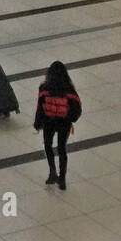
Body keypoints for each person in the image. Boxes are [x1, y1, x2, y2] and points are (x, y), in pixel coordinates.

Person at [34, 61, 82, 191]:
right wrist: (71, 119)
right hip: (64, 123)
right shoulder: (69, 90)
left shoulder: (44, 88)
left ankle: (52, 173)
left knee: (48, 146)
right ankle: (62, 179)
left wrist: (38, 123)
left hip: (49, 122)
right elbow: (77, 108)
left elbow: (40, 107)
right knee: (62, 149)